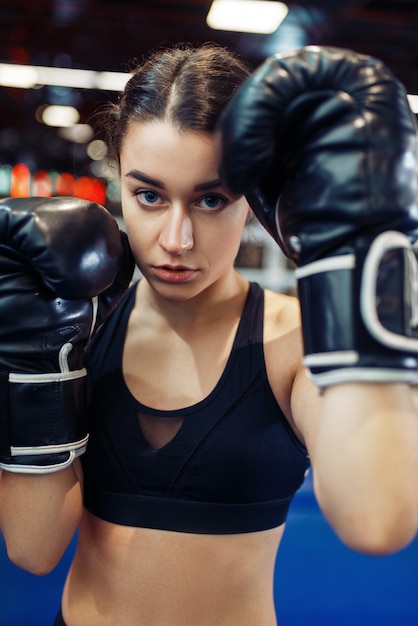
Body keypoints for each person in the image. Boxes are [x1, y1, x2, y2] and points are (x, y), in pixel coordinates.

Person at [0, 42, 418, 626]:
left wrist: (350, 272)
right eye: (148, 195)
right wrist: (33, 357)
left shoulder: (292, 342)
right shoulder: (79, 330)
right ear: (119, 179)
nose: (176, 239)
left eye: (212, 199)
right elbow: (33, 550)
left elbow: (378, 521)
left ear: (254, 197)